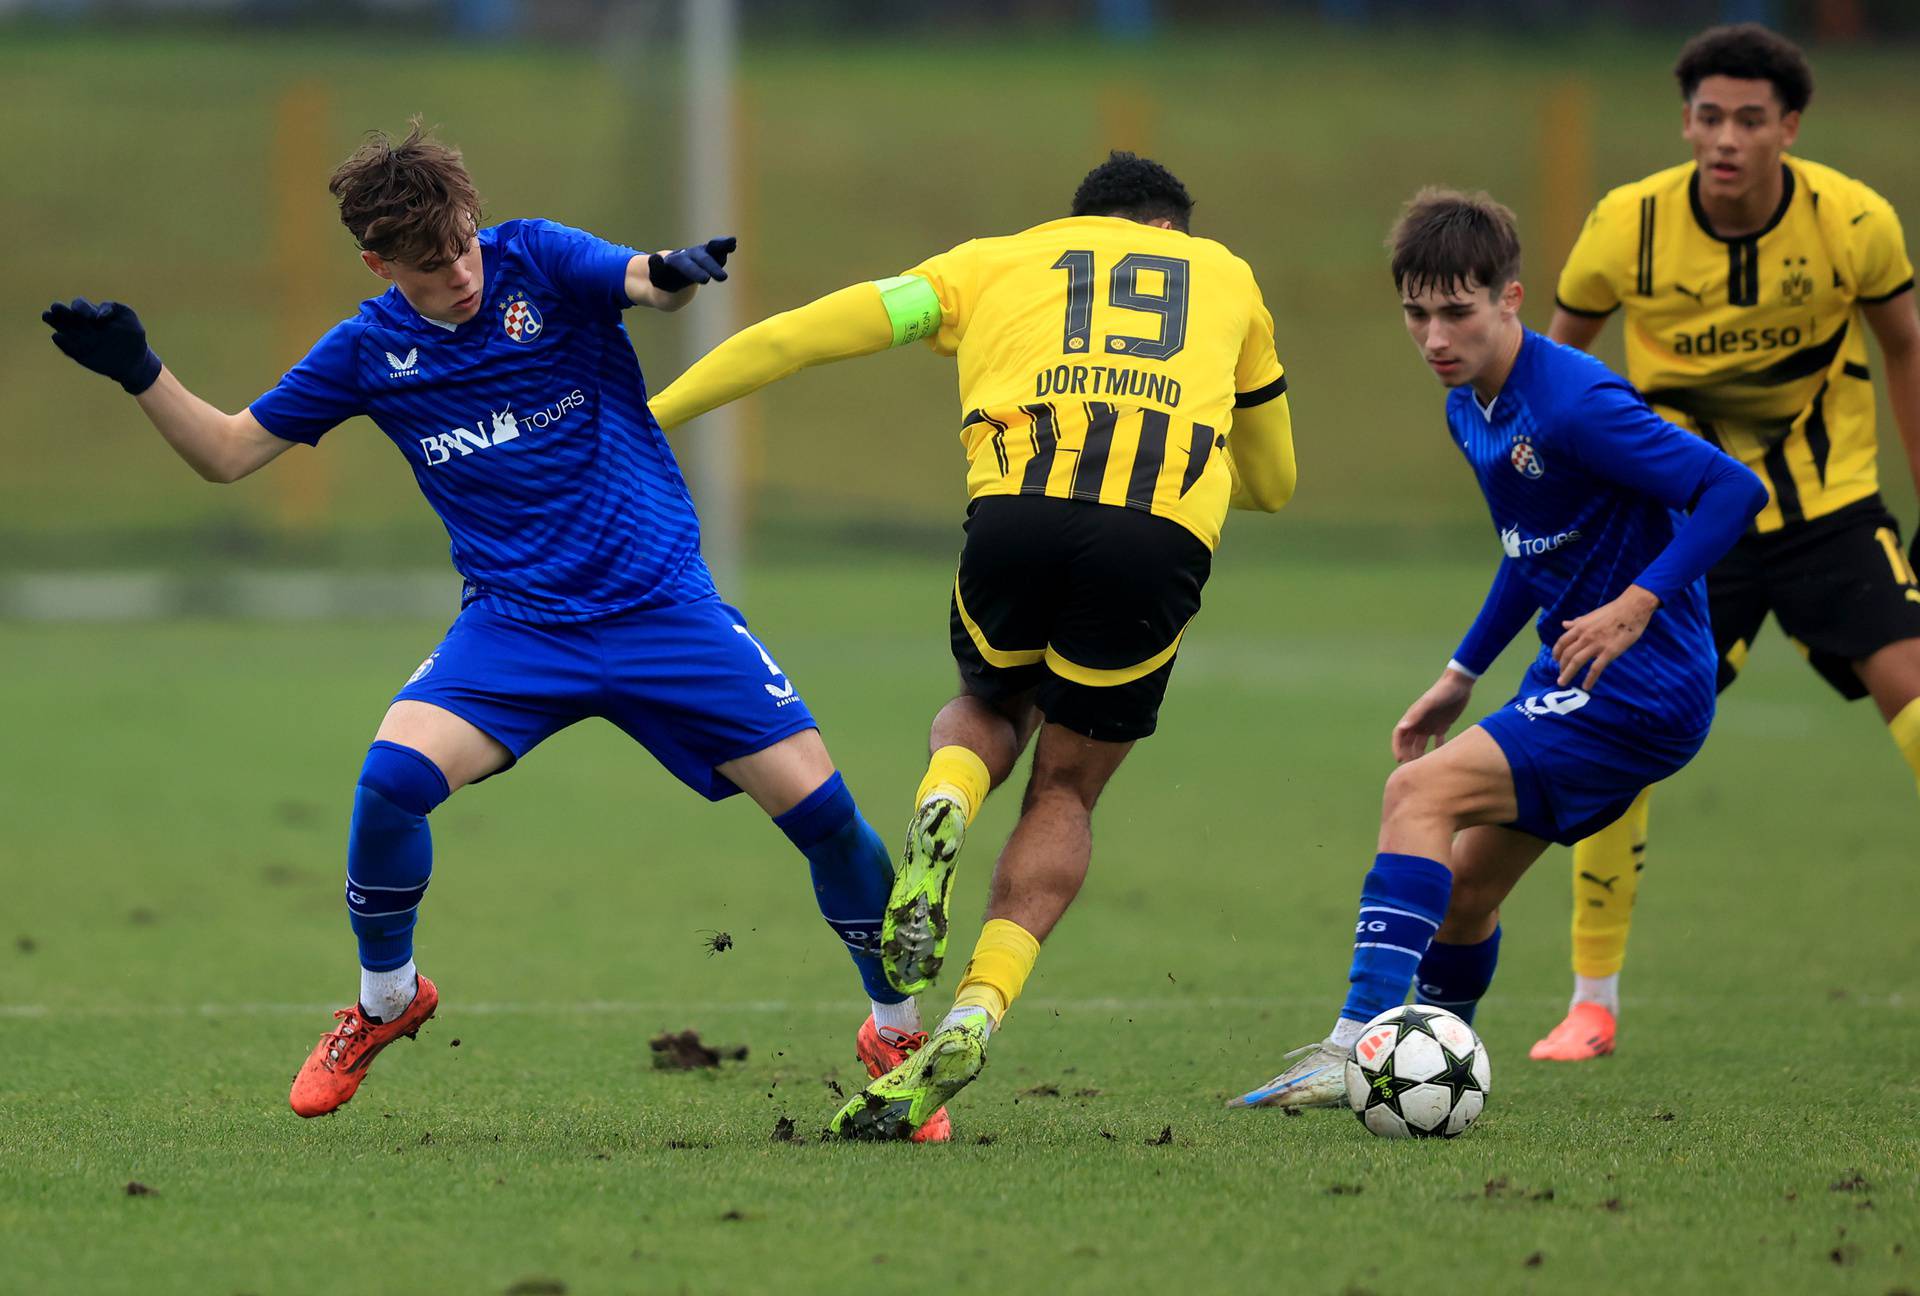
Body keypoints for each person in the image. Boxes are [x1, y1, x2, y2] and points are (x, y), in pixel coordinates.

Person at [41, 119, 943, 1137]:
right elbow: (229, 454)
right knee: (389, 786)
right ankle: (388, 1001)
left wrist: (674, 273)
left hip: (663, 609)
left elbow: (638, 279)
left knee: (826, 820)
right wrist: (140, 370)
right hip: (518, 630)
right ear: (381, 264)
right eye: (432, 264)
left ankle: (896, 1037)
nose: (462, 273)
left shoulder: (538, 260)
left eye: (465, 245)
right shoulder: (369, 351)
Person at [648, 151, 1298, 1138]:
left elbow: (795, 339)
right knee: (1067, 789)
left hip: (1019, 511)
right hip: (1154, 537)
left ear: (1077, 223)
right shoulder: (1229, 278)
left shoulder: (992, 265)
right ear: (1171, 230)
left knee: (989, 706)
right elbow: (1277, 482)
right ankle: (977, 1011)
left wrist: (651, 421)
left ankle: (944, 806)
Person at [1230, 188, 1765, 1110]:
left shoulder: (1575, 404)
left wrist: (1639, 603)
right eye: (1417, 313)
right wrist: (1459, 675)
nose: (1436, 336)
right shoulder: (1470, 407)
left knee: (1416, 793)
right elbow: (1531, 552)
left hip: (1642, 685)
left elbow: (1732, 490)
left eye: (1457, 311)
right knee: (1465, 894)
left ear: (1511, 298)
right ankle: (1428, 1074)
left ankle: (1353, 1043)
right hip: (1575, 673)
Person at [1539, 23, 1920, 1062]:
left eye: (1751, 119)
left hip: (1832, 512)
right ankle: (1592, 1000)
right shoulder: (1628, 226)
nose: (1728, 138)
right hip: (1691, 529)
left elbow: (1906, 350)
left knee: (1914, 690)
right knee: (1620, 736)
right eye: (1710, 117)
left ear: (1789, 128)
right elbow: (1551, 372)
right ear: (1686, 123)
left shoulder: (1854, 221)